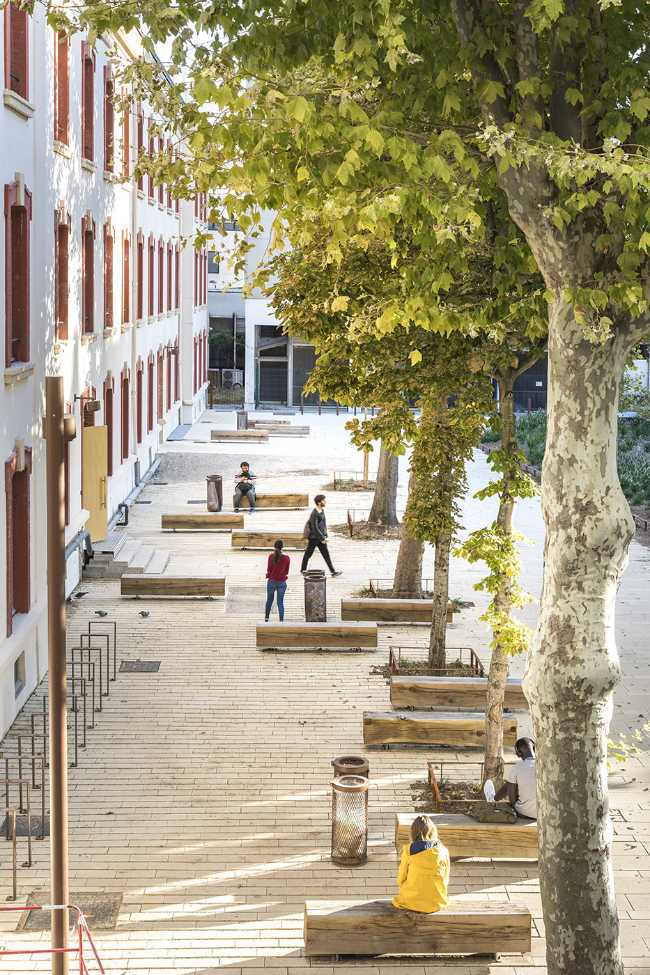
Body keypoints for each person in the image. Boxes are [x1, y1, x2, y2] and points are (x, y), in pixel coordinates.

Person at [393, 815, 450, 913]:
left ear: (413, 833)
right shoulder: (443, 851)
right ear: (432, 831)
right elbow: (445, 878)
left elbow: (401, 878)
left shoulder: (408, 850)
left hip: (411, 902)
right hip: (436, 902)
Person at [495, 737, 537, 819]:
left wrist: (513, 804)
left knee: (511, 784)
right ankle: (495, 797)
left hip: (524, 812)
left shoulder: (517, 767)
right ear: (534, 749)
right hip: (544, 813)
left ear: (518, 753)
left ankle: (494, 798)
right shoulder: (544, 765)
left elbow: (512, 799)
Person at [300, 494, 342, 577]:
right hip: (314, 538)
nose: (325, 502)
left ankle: (333, 571)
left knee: (326, 554)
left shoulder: (321, 510)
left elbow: (323, 524)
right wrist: (322, 538)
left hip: (320, 537)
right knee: (308, 554)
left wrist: (325, 535)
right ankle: (303, 570)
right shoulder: (314, 513)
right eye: (323, 500)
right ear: (319, 502)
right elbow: (315, 528)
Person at [265, 539, 290, 622]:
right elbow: (286, 571)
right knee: (280, 603)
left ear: (274, 546)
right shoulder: (287, 558)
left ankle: (266, 618)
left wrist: (270, 575)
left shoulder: (271, 556)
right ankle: (281, 621)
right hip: (282, 582)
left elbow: (269, 570)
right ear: (282, 547)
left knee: (269, 600)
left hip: (271, 581)